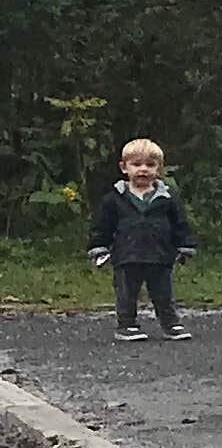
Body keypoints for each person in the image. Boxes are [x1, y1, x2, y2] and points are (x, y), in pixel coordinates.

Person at [85, 136, 197, 340]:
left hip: (160, 254)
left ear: (159, 168)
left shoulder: (167, 198)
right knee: (126, 293)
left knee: (163, 293)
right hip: (126, 254)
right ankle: (127, 325)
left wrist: (184, 245)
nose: (143, 169)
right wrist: (99, 246)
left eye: (150, 165)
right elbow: (103, 225)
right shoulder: (114, 198)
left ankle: (171, 324)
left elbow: (180, 223)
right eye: (136, 164)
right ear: (124, 167)